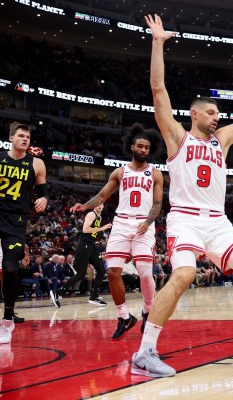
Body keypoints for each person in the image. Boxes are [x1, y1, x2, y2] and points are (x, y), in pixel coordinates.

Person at [130, 14, 233, 378]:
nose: (216, 118)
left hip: (217, 221)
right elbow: (158, 90)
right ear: (193, 114)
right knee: (185, 274)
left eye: (218, 113)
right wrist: (157, 42)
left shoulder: (222, 141)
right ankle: (145, 352)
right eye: (210, 112)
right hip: (186, 218)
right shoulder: (177, 136)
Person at [66, 123, 164, 340]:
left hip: (143, 225)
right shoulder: (119, 172)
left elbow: (157, 204)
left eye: (147, 148)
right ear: (132, 147)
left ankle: (148, 310)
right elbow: (102, 196)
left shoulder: (156, 174)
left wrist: (148, 222)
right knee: (112, 273)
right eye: (140, 146)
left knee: (145, 273)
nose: (143, 150)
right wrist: (84, 206)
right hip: (121, 223)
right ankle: (124, 317)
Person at [0, 122, 48, 343]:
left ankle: (8, 319)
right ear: (11, 138)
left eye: (27, 136)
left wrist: (43, 199)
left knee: (10, 270)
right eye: (20, 135)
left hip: (16, 222)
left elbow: (43, 191)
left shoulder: (37, 164)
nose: (25, 139)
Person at [53, 204, 111, 307]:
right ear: (94, 205)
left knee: (101, 270)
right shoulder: (91, 214)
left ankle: (94, 296)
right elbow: (85, 229)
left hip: (92, 246)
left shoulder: (99, 217)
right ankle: (58, 292)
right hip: (84, 245)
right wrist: (102, 228)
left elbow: (95, 231)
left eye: (101, 204)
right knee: (81, 274)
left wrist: (104, 238)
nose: (99, 206)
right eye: (97, 204)